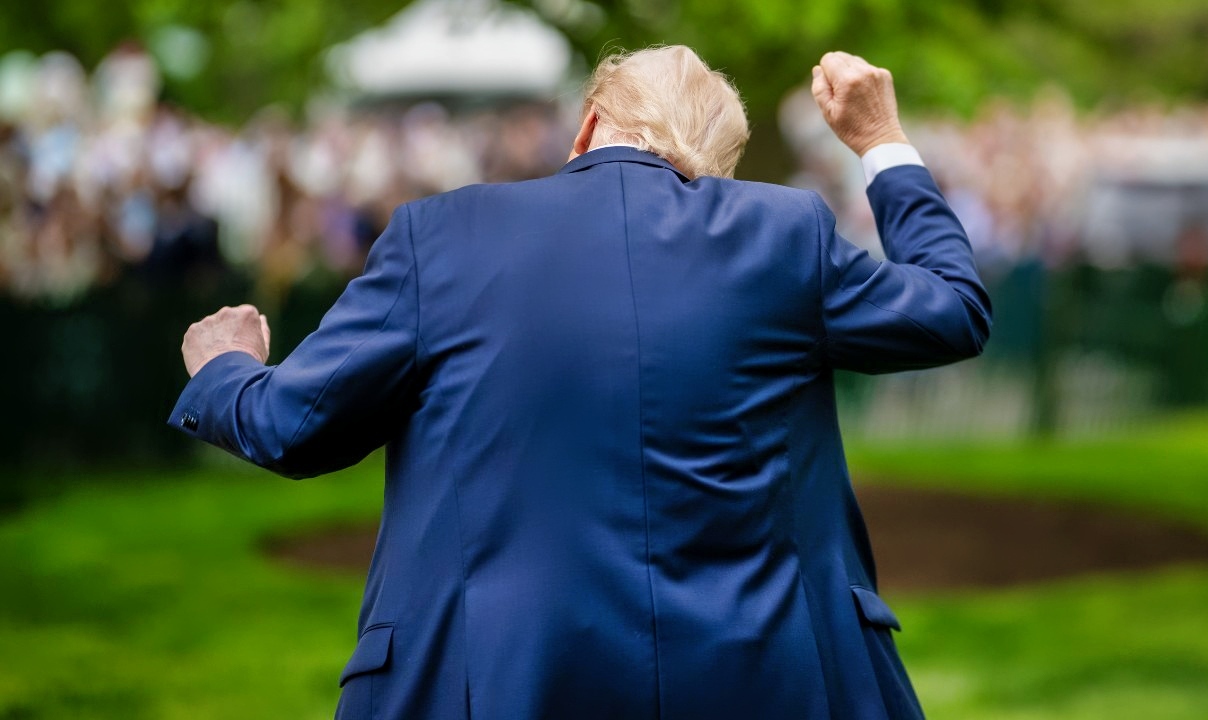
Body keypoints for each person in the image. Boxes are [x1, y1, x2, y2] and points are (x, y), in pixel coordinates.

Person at [170, 46, 991, 720]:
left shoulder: (443, 235)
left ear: (590, 123)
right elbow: (954, 308)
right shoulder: (784, 236)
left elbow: (294, 426)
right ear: (715, 165)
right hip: (764, 685)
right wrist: (880, 138)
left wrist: (226, 366)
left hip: (491, 685)